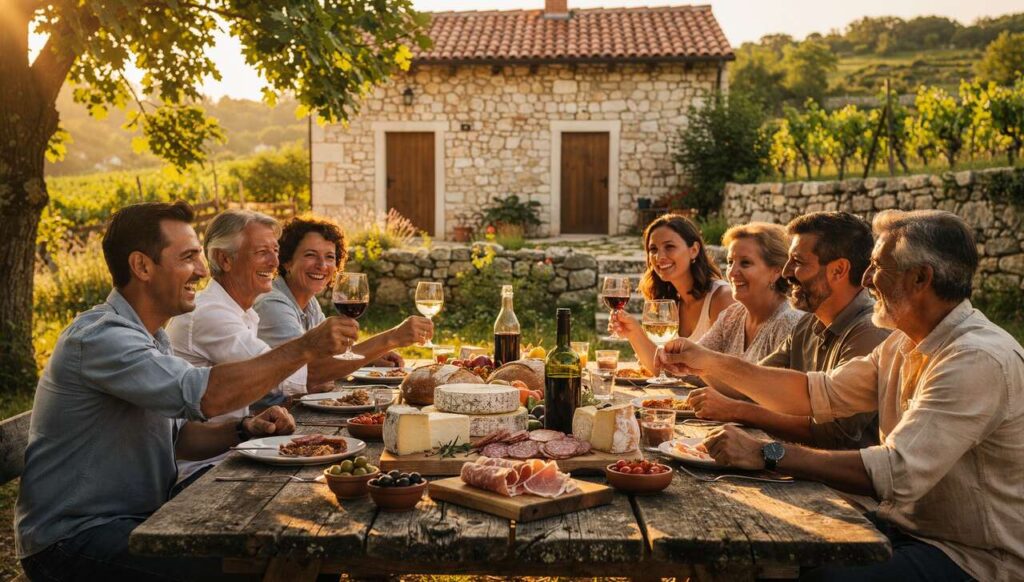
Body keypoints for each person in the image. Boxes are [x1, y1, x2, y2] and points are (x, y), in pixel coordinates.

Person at [658, 210, 1024, 581]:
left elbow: (894, 473)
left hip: (974, 559)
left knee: (811, 573)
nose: (865, 278)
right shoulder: (903, 342)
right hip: (905, 529)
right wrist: (707, 361)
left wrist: (767, 454)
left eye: (879, 267)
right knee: (756, 544)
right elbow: (816, 392)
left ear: (920, 278)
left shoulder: (976, 359)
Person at [15, 202, 358, 581]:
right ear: (142, 267)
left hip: (139, 518)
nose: (201, 269)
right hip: (74, 539)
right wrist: (304, 347)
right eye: (189, 257)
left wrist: (244, 429)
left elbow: (180, 438)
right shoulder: (100, 339)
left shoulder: (153, 338)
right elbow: (205, 396)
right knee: (273, 563)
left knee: (307, 549)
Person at [690, 212, 889, 449]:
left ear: (838, 270)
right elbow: (754, 383)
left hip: (832, 484)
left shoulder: (871, 331)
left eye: (798, 262)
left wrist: (738, 411)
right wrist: (700, 362)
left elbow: (836, 434)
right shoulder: (809, 323)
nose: (786, 272)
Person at [253, 215, 433, 397]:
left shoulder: (309, 303)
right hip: (266, 416)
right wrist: (391, 338)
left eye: (330, 257)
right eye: (310, 255)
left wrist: (370, 359)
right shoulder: (273, 305)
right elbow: (309, 373)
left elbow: (327, 357)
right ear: (287, 261)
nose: (322, 265)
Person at [610, 213, 733, 372]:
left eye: (669, 247)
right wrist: (633, 332)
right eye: (653, 249)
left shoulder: (722, 297)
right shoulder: (671, 302)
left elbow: (731, 372)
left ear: (694, 250)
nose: (659, 257)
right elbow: (662, 370)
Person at [695, 222, 803, 362]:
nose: (732, 272)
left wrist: (701, 364)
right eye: (730, 262)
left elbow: (766, 384)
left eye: (745, 263)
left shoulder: (789, 323)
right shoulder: (731, 316)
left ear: (776, 272)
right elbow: (694, 361)